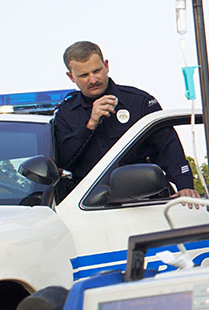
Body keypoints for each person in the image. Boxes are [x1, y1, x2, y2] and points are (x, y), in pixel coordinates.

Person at [54, 41, 200, 202]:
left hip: (144, 201)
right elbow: (62, 161)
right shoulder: (64, 114)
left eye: (97, 71)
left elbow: (168, 146)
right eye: (84, 75)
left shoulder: (139, 102)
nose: (93, 80)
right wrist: (89, 125)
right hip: (89, 207)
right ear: (71, 77)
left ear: (106, 65)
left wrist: (185, 186)